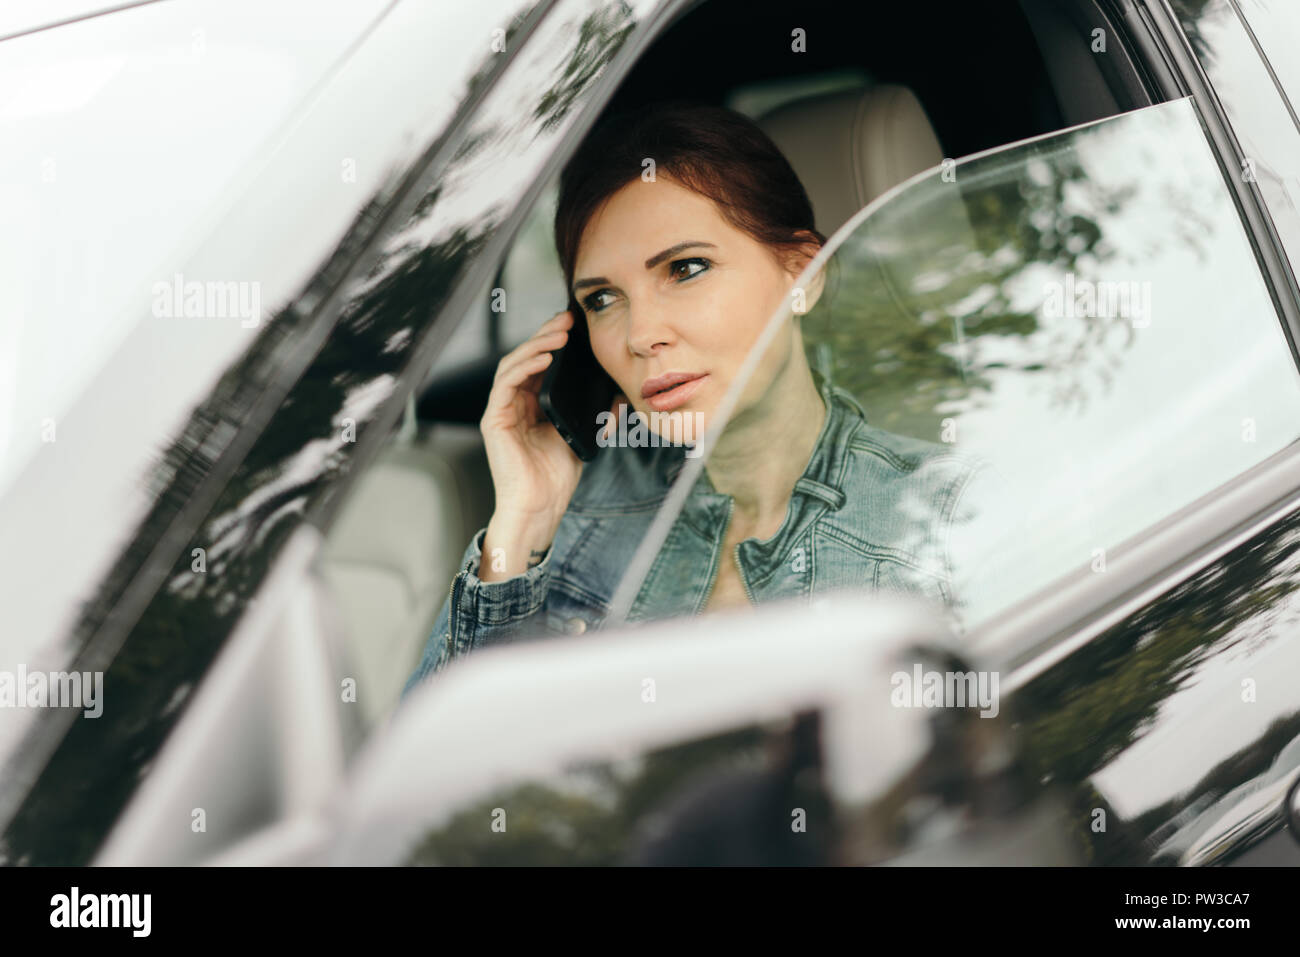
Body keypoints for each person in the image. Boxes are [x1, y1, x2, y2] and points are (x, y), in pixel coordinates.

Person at [401, 101, 1000, 700]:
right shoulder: (580, 510)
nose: (640, 336)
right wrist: (521, 524)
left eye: (686, 268)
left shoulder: (953, 517)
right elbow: (436, 776)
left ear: (802, 274)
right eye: (603, 300)